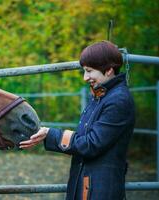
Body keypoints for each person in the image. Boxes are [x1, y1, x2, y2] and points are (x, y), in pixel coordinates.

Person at [20, 40, 135, 200]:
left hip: (100, 188)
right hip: (87, 182)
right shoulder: (101, 95)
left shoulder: (118, 100)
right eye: (84, 71)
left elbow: (91, 144)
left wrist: (51, 134)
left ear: (108, 70)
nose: (85, 77)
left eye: (89, 71)